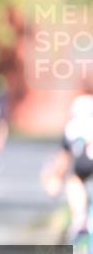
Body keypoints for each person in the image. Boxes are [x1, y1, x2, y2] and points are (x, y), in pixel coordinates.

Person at [42, 94, 93, 241]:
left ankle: (80, 219)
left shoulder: (73, 127)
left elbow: (63, 160)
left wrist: (56, 179)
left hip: (85, 164)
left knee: (74, 182)